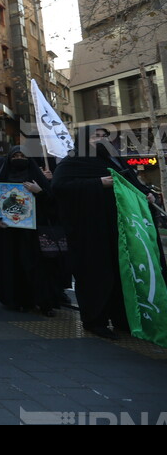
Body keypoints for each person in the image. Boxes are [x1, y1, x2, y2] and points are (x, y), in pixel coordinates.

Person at [52, 126, 161, 339]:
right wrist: (97, 183)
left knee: (122, 274)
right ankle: (95, 321)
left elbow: (132, 182)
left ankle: (123, 319)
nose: (101, 140)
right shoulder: (72, 162)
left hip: (120, 229)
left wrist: (147, 194)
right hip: (90, 232)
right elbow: (59, 188)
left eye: (104, 137)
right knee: (95, 275)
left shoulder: (114, 160)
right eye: (96, 136)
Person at [0, 146, 64, 317]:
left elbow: (53, 203)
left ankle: (44, 302)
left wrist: (39, 192)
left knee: (39, 269)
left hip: (34, 235)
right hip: (10, 236)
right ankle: (19, 301)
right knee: (14, 267)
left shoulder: (37, 179)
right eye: (15, 156)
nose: (18, 158)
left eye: (23, 155)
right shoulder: (2, 179)